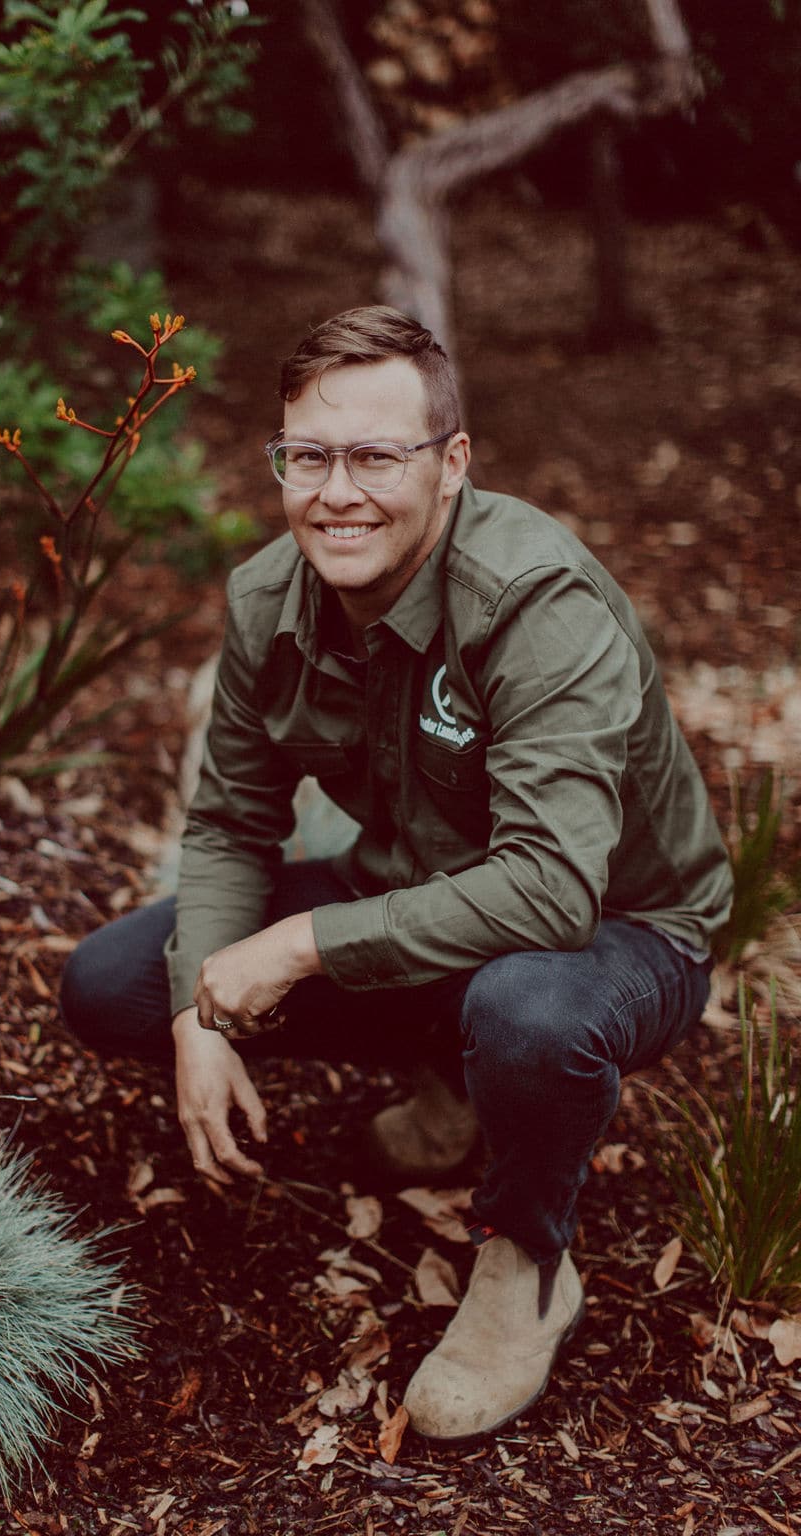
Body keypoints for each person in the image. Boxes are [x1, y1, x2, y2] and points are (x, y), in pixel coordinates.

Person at [61, 305, 732, 1441]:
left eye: (376, 455)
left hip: (616, 930)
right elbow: (229, 819)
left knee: (523, 1008)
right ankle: (450, 1079)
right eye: (307, 456)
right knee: (120, 981)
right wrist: (198, 1016)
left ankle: (527, 1261)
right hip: (417, 891)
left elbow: (550, 892)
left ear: (452, 463)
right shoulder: (269, 600)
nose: (336, 492)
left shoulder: (535, 607)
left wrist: (295, 946)